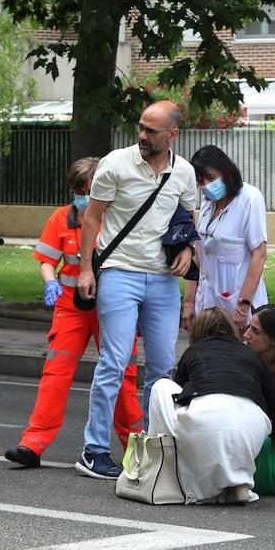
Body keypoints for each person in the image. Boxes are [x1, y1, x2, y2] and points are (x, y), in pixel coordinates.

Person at [73, 100, 199, 479]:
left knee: (162, 367)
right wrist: (85, 270)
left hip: (162, 278)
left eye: (151, 131)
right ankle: (94, 450)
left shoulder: (184, 172)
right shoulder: (116, 162)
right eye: (140, 128)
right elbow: (92, 218)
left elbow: (190, 217)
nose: (142, 136)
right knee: (114, 361)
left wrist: (190, 249)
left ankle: (150, 449)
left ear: (172, 135)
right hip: (120, 271)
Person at [4, 158, 142, 468]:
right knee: (55, 374)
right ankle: (32, 444)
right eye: (78, 190)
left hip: (113, 308)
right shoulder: (61, 219)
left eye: (89, 190)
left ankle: (138, 448)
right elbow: (46, 259)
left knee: (123, 378)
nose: (83, 196)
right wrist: (50, 282)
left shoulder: (119, 218)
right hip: (71, 307)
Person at [146, 308, 275, 504]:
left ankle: (169, 473)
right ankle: (237, 480)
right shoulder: (252, 356)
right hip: (253, 423)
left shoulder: (193, 352)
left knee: (161, 386)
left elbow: (176, 397)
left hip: (207, 416)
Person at [184, 145, 268, 331]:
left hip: (238, 307)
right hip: (206, 306)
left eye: (211, 178)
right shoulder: (207, 203)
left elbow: (259, 255)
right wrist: (189, 302)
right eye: (200, 181)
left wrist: (243, 306)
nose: (206, 186)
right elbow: (198, 256)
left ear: (226, 172)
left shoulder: (250, 198)